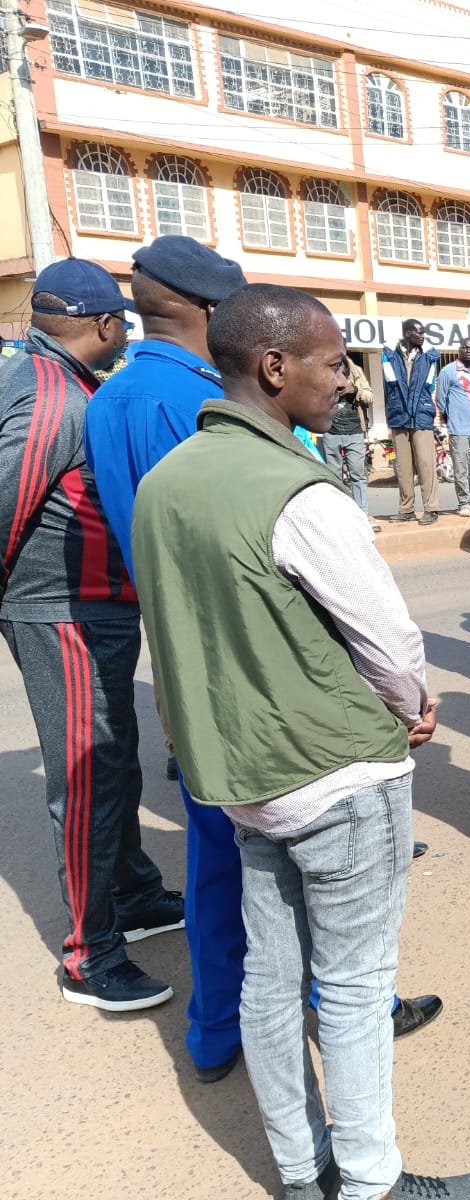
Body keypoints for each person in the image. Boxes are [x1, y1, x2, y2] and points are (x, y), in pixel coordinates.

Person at [133, 284, 470, 1200]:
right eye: (332, 364)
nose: (346, 383)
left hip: (241, 779)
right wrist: (413, 703)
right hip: (335, 773)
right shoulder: (299, 489)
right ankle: (369, 1183)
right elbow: (389, 640)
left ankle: (302, 1172)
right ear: (274, 366)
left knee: (273, 985)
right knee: (359, 990)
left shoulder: (166, 482)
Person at [84, 239, 439, 1085]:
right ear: (225, 324)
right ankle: (346, 1014)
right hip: (269, 683)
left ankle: (214, 1034)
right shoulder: (209, 408)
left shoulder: (109, 400)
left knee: (218, 869)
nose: (340, 378)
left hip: (187, 670)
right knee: (307, 893)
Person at [0, 258, 180, 1011]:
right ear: (106, 325)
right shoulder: (49, 397)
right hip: (63, 609)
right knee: (84, 779)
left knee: (113, 764)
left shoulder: (62, 382)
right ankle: (89, 956)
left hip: (92, 607)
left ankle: (131, 894)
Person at [382, 319, 441, 526]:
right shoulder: (388, 354)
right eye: (419, 333)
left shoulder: (429, 356)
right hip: (399, 415)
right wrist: (396, 407)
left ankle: (431, 508)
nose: (423, 336)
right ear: (408, 334)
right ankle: (406, 509)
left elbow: (428, 385)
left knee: (426, 464)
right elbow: (389, 386)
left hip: (421, 415)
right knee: (403, 466)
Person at [437, 338, 470, 515]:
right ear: (459, 350)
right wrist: (451, 420)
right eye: (465, 347)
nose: (468, 350)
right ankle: (464, 504)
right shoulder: (448, 371)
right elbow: (441, 400)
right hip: (459, 429)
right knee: (461, 469)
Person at [325, 351, 374, 530]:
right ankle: (337, 516)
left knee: (358, 475)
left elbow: (370, 396)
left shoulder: (356, 371)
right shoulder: (323, 370)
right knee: (333, 476)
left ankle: (362, 514)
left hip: (354, 430)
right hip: (330, 431)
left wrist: (355, 390)